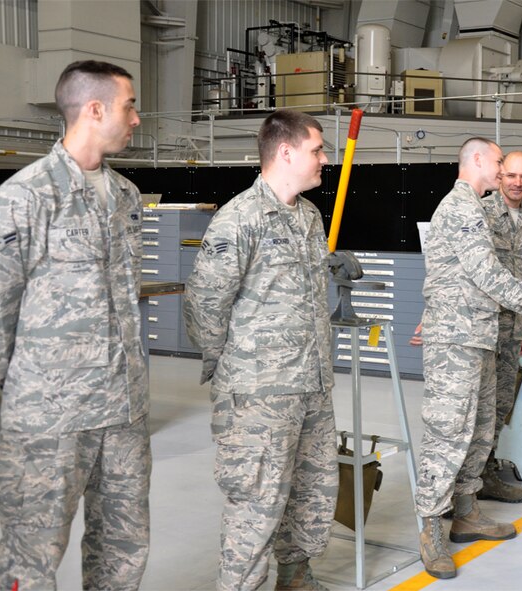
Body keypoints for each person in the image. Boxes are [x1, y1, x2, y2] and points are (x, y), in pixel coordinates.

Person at [0, 60, 151, 590]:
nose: (137, 119)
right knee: (31, 557)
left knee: (123, 549)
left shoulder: (125, 197)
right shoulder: (25, 196)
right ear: (95, 109)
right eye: (129, 106)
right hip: (50, 418)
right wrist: (30, 389)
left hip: (122, 413)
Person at [183, 110, 336, 591]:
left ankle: (295, 578)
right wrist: (236, 365)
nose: (325, 159)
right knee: (256, 505)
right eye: (317, 150)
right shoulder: (239, 219)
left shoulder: (308, 217)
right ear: (286, 152)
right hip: (258, 394)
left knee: (312, 493)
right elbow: (204, 305)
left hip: (311, 385)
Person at [416, 137, 522, 580]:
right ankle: (431, 528)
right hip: (457, 339)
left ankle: (466, 512)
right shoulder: (462, 207)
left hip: (479, 334)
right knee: (448, 433)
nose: (504, 171)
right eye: (500, 162)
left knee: (480, 427)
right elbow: (486, 273)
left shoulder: (473, 206)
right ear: (479, 160)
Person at [477, 151, 522, 504]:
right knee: (477, 406)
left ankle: (485, 471)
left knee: (500, 404)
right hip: (483, 327)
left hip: (513, 329)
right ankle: (469, 478)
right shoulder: (481, 213)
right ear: (500, 176)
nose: (518, 183)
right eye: (512, 175)